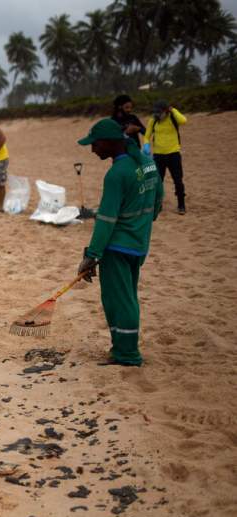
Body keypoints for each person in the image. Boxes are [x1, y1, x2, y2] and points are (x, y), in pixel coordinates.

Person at [76, 118, 163, 366]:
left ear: (109, 143)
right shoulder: (147, 164)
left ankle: (127, 353)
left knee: (119, 300)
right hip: (138, 243)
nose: (93, 150)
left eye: (95, 144)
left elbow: (106, 220)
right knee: (128, 296)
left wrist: (91, 254)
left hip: (116, 247)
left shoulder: (116, 174)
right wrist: (143, 224)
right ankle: (121, 349)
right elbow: (158, 199)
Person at [145, 100, 187, 214]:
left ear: (166, 111)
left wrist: (172, 109)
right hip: (158, 156)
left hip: (174, 154)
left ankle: (181, 204)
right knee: (157, 181)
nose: (157, 115)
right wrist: (146, 145)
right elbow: (147, 135)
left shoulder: (173, 116)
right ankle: (157, 204)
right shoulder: (153, 120)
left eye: (159, 112)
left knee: (178, 180)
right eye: (155, 112)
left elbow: (183, 121)